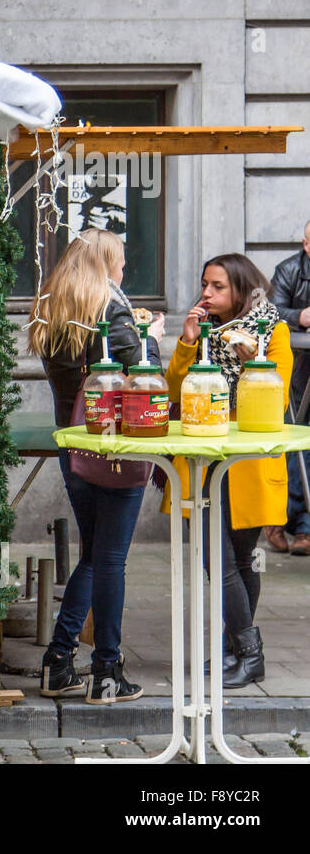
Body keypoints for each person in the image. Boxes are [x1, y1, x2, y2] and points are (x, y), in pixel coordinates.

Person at [29, 229, 163, 704]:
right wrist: (152, 340)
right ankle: (107, 671)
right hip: (115, 448)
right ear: (106, 262)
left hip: (73, 446)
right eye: (120, 260)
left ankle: (58, 662)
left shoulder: (52, 310)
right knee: (110, 559)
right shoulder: (113, 308)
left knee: (93, 554)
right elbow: (146, 381)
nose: (123, 269)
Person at [164, 254, 291, 688]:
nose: (206, 294)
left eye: (217, 286)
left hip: (247, 463)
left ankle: (241, 652)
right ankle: (241, 652)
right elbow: (173, 389)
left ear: (240, 289)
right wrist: (186, 341)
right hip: (202, 460)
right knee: (216, 558)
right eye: (205, 285)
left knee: (239, 560)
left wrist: (252, 361)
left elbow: (274, 395)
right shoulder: (202, 335)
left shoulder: (274, 331)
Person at [268, 221, 310, 555]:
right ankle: (297, 524)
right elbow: (270, 311)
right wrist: (301, 316)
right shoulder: (289, 270)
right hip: (298, 369)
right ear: (305, 244)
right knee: (300, 442)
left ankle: (284, 520)